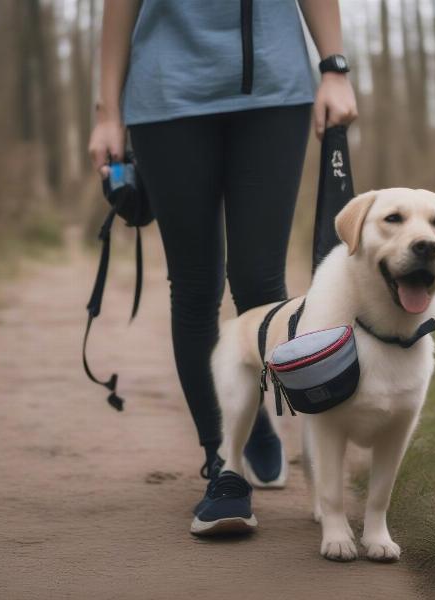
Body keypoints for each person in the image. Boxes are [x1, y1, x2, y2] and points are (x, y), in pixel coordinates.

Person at [88, 0, 358, 534]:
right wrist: (108, 112)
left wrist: (334, 67)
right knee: (194, 285)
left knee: (259, 280)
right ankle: (223, 465)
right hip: (166, 95)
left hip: (273, 89)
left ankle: (254, 415)